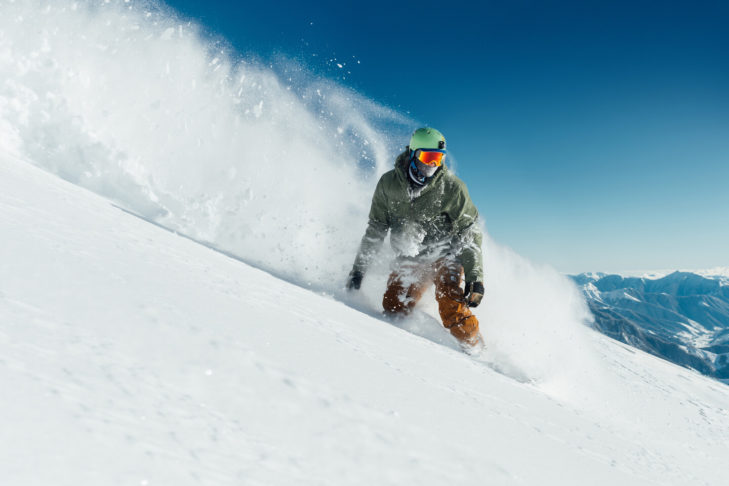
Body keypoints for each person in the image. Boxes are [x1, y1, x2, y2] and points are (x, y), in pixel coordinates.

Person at [346, 127, 485, 353]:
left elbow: (469, 231)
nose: (433, 165)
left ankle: (477, 349)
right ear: (413, 153)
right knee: (393, 308)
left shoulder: (451, 187)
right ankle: (408, 350)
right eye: (427, 157)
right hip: (410, 257)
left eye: (438, 158)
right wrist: (358, 270)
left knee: (452, 308)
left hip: (446, 255)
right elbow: (376, 228)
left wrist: (475, 277)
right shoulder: (389, 184)